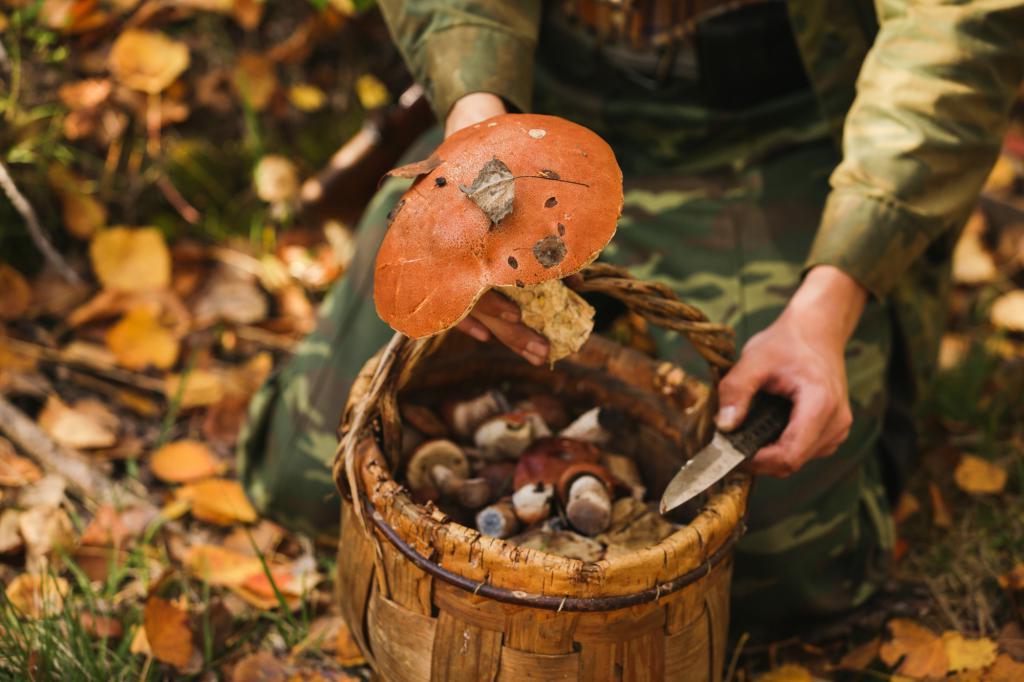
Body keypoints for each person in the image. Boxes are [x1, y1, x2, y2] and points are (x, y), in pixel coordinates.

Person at [238, 0, 1024, 627]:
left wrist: (831, 299)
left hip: (773, 127)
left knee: (770, 558)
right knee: (318, 475)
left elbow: (955, 33)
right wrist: (481, 142)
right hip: (540, 93)